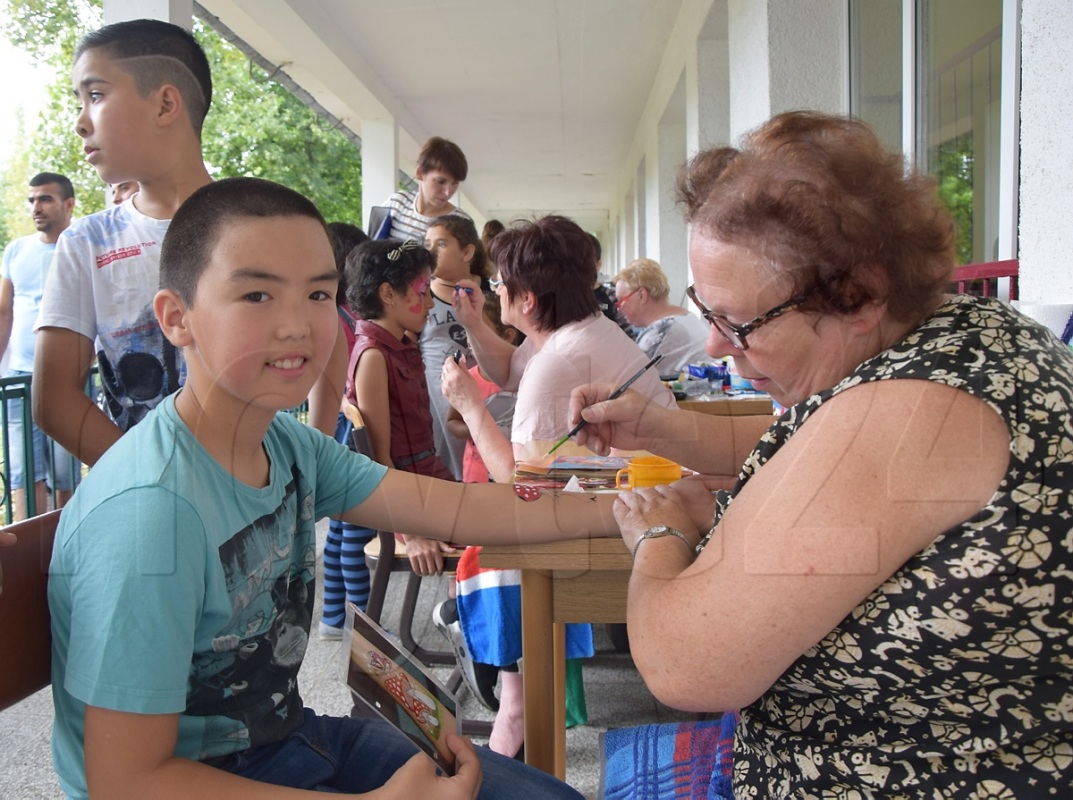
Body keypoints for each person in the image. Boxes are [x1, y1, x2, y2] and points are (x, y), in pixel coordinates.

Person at [48, 176, 615, 799]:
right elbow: (125, 782)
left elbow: (455, 507)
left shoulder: (286, 446)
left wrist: (624, 508)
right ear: (177, 318)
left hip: (289, 741)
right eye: (258, 294)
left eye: (319, 293)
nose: (298, 324)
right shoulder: (149, 514)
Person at [571, 111, 1073, 797]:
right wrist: (662, 429)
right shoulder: (963, 335)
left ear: (857, 295)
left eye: (736, 322)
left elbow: (686, 667)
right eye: (704, 311)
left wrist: (659, 534)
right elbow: (816, 449)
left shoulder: (912, 416)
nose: (715, 345)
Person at [444, 214, 678, 757]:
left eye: (501, 284)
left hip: (628, 524)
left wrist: (468, 405)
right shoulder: (579, 329)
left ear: (527, 300)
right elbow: (510, 370)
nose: (496, 289)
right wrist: (478, 324)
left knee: (488, 551)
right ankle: (513, 695)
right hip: (635, 499)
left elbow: (520, 486)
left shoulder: (560, 360)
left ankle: (515, 703)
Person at [33, 18, 214, 466]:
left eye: (95, 96)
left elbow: (321, 352)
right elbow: (53, 398)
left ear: (166, 103)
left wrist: (309, 459)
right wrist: (151, 481)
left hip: (264, 503)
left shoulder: (261, 224)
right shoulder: (86, 242)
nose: (79, 122)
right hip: (148, 507)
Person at [342, 237, 455, 578]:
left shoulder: (400, 344)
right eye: (423, 292)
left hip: (427, 483)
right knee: (512, 532)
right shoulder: (374, 356)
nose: (432, 304)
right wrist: (411, 534)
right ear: (388, 294)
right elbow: (379, 460)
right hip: (414, 496)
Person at [0, 172, 81, 520]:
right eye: (32, 200)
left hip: (67, 378)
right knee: (22, 472)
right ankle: (25, 557)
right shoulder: (16, 250)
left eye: (45, 199)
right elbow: (4, 310)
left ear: (68, 204)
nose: (36, 207)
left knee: (67, 474)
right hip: (18, 377)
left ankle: (66, 550)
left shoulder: (81, 246)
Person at [318, 221, 372, 638]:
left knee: (339, 532)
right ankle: (362, 623)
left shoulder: (332, 312)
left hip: (339, 429)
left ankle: (334, 618)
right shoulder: (344, 319)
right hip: (349, 431)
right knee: (354, 530)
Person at [422, 216, 490, 479]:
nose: (430, 251)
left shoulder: (489, 292)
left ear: (467, 251)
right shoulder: (421, 293)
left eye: (441, 244)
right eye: (427, 243)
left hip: (482, 390)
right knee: (444, 463)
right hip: (435, 395)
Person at [614, 257, 709, 375]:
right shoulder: (687, 316)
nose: (619, 308)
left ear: (641, 296)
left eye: (621, 300)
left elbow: (629, 380)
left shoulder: (659, 332)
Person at [382, 136, 471, 243]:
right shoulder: (398, 202)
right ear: (420, 173)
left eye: (455, 183)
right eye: (441, 181)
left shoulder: (461, 222)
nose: (448, 192)